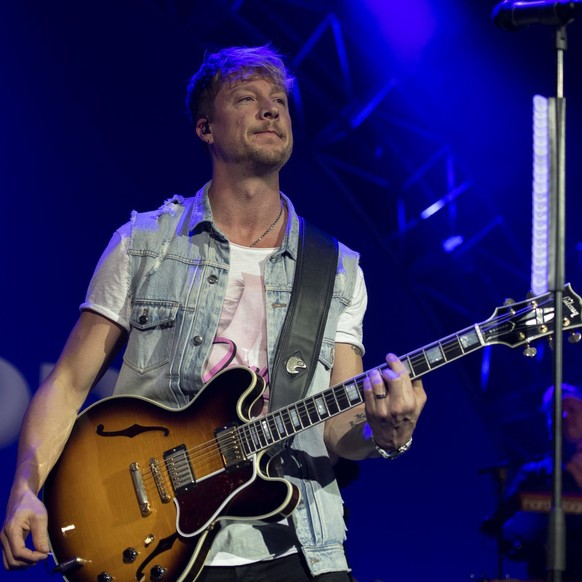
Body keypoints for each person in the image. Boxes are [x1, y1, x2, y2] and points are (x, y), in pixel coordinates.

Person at [1, 45, 427, 581]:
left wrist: (388, 436)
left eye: (279, 101)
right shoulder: (143, 245)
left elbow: (341, 431)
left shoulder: (338, 269)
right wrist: (24, 489)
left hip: (299, 545)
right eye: (247, 98)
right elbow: (66, 383)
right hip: (160, 547)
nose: (271, 110)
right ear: (206, 128)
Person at [482, 383, 582, 581]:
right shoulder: (533, 474)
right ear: (547, 423)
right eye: (556, 412)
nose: (565, 416)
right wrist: (528, 539)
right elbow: (500, 530)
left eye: (572, 409)